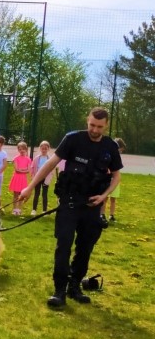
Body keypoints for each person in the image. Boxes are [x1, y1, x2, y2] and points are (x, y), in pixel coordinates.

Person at [19, 107, 123, 308]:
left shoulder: (109, 146)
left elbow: (116, 175)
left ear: (106, 125)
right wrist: (30, 187)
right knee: (64, 245)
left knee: (85, 248)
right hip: (69, 203)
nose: (95, 130)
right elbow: (50, 163)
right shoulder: (73, 139)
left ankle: (74, 286)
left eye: (99, 127)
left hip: (92, 206)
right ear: (87, 120)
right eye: (92, 125)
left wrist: (103, 196)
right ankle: (59, 290)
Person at [101, 138, 126, 223]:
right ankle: (102, 214)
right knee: (105, 198)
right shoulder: (106, 155)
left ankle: (111, 215)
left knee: (113, 199)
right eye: (120, 150)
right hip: (107, 179)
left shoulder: (117, 158)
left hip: (115, 181)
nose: (120, 153)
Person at [30, 140, 54, 216]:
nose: (44, 150)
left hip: (45, 179)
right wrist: (34, 177)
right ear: (40, 148)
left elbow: (51, 170)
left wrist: (47, 179)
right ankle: (34, 209)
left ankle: (44, 210)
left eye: (45, 149)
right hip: (37, 178)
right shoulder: (37, 158)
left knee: (44, 194)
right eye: (42, 148)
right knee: (36, 193)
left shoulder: (50, 159)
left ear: (48, 149)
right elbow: (32, 168)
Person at [9, 141, 32, 215]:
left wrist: (21, 170)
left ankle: (19, 209)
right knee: (15, 194)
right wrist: (23, 169)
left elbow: (28, 170)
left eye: (23, 149)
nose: (22, 150)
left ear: (26, 149)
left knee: (22, 195)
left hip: (23, 179)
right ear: (18, 150)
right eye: (20, 149)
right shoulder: (16, 158)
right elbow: (17, 169)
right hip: (16, 178)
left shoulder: (28, 159)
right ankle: (14, 209)